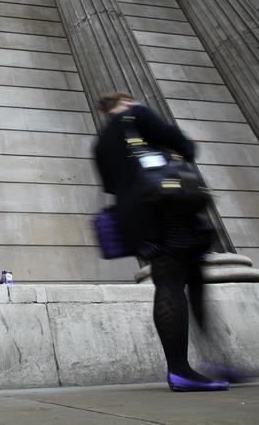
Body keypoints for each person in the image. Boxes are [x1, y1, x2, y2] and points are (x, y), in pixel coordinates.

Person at [94, 91, 229, 392]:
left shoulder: (101, 142)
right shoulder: (136, 115)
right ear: (124, 102)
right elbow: (181, 144)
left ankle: (214, 360)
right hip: (167, 209)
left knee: (191, 277)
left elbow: (110, 184)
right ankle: (180, 370)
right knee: (171, 283)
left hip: (136, 218)